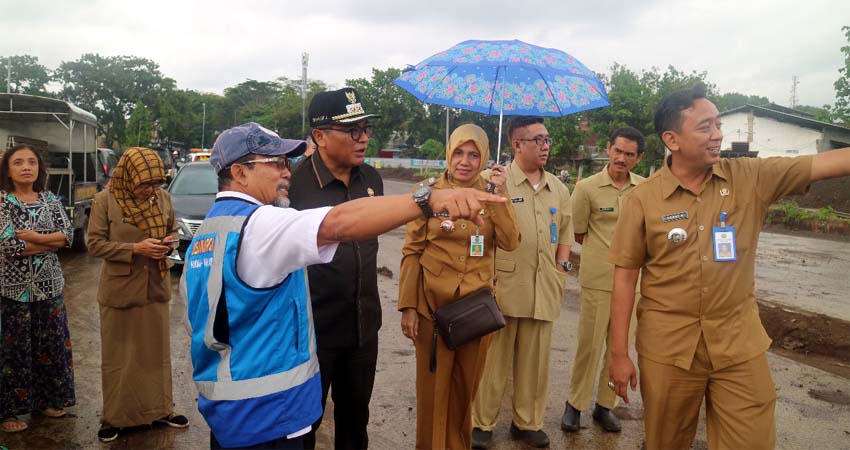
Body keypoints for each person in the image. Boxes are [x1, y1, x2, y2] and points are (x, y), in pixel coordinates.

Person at [182, 122, 506, 449]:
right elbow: (339, 222)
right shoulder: (259, 225)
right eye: (276, 164)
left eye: (288, 163)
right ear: (239, 172)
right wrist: (428, 199)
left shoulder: (209, 234)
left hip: (230, 413)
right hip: (268, 415)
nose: (287, 173)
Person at [608, 84, 850, 450]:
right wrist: (619, 354)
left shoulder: (749, 178)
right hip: (669, 349)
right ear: (672, 139)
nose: (718, 134)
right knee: (666, 441)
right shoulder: (643, 200)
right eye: (705, 127)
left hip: (739, 343)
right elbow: (625, 278)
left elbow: (825, 164)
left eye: (719, 124)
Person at [398, 124, 521, 450]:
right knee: (433, 392)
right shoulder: (428, 192)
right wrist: (408, 307)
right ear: (448, 154)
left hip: (475, 312)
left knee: (465, 393)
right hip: (431, 309)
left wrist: (499, 198)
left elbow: (510, 242)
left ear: (483, 158)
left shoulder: (492, 193)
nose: (464, 161)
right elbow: (411, 251)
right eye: (458, 153)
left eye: (473, 154)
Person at [289, 87, 383, 450]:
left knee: (355, 421)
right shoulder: (294, 187)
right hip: (313, 334)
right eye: (352, 131)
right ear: (320, 137)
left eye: (365, 128)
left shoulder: (371, 179)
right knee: (304, 424)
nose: (362, 139)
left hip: (363, 328)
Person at [471, 117, 573, 449]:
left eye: (547, 139)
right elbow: (476, 230)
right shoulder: (491, 180)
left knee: (536, 362)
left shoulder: (557, 186)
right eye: (537, 139)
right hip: (503, 285)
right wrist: (494, 192)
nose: (545, 146)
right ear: (517, 144)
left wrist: (561, 268)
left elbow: (566, 233)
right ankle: (481, 423)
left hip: (544, 285)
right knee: (493, 362)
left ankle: (527, 422)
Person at [87, 147, 189, 442]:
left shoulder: (163, 199)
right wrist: (135, 249)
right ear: (128, 176)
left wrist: (169, 243)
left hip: (155, 287)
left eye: (156, 183)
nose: (150, 190)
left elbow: (171, 230)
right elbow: (94, 244)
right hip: (120, 289)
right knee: (119, 356)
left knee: (155, 354)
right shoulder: (105, 200)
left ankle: (160, 411)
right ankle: (115, 418)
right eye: (145, 184)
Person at [560, 127, 646, 435]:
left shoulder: (645, 189)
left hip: (633, 283)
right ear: (608, 149)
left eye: (629, 154)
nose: (621, 158)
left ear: (639, 158)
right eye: (617, 151)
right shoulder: (586, 188)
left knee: (618, 347)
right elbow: (578, 232)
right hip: (598, 278)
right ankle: (575, 404)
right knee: (590, 344)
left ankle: (605, 406)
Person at [0, 144, 75, 433]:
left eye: (31, 162)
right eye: (18, 162)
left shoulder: (49, 199)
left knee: (50, 346)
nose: (26, 167)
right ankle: (9, 410)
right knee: (14, 351)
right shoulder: (3, 202)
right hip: (12, 290)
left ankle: (47, 401)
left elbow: (67, 236)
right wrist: (48, 240)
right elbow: (8, 245)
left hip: (50, 288)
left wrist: (31, 237)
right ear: (8, 169)